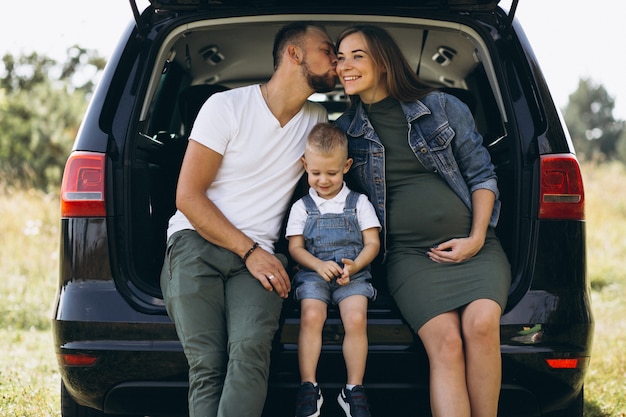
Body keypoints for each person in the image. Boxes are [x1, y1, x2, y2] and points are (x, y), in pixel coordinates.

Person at [159, 22, 338, 417]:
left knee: (251, 353)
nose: (336, 58)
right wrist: (250, 250)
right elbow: (188, 196)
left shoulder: (317, 119)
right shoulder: (226, 107)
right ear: (294, 54)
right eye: (327, 49)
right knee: (208, 365)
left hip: (258, 259)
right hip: (197, 242)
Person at [334, 25, 511, 417]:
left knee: (482, 326)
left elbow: (483, 176)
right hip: (410, 257)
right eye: (340, 57)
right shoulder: (344, 132)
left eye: (356, 56)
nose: (344, 65)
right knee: (446, 343)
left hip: (477, 245)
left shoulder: (442, 107)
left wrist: (477, 237)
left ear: (383, 62)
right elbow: (326, 194)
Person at [286, 123, 381, 417]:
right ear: (305, 165)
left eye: (332, 173)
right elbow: (295, 248)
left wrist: (357, 264)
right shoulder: (302, 207)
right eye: (315, 173)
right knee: (312, 314)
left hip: (352, 273)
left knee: (355, 317)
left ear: (347, 166)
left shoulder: (359, 203)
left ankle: (352, 389)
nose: (323, 180)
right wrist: (317, 264)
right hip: (313, 272)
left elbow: (372, 242)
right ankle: (309, 386)